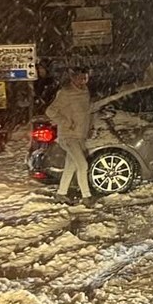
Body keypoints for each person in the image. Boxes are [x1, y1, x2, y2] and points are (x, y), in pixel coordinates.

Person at [45, 66, 93, 204]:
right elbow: (50, 111)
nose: (82, 81)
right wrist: (66, 122)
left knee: (71, 165)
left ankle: (61, 193)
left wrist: (89, 127)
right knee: (82, 165)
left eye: (85, 78)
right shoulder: (65, 93)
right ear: (72, 78)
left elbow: (86, 112)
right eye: (79, 78)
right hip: (68, 136)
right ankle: (86, 196)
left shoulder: (85, 92)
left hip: (80, 136)